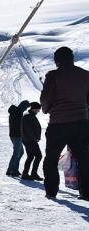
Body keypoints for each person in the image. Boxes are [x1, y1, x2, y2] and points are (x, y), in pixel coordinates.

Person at [40, 46, 89, 200]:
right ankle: (86, 192)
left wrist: (46, 109)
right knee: (84, 159)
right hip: (81, 123)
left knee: (51, 159)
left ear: (57, 60)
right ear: (72, 59)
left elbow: (46, 98)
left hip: (58, 124)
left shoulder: (53, 75)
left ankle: (51, 191)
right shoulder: (85, 75)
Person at [6, 100, 30, 177]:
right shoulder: (18, 113)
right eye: (26, 107)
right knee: (17, 153)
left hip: (14, 135)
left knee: (20, 152)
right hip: (17, 135)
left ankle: (14, 169)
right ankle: (10, 170)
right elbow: (19, 126)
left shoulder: (15, 112)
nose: (26, 109)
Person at [20, 102, 43, 181]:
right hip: (30, 141)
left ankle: (26, 173)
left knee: (30, 157)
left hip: (28, 140)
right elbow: (28, 129)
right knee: (38, 156)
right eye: (38, 109)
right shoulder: (29, 117)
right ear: (33, 108)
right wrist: (34, 138)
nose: (38, 111)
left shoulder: (30, 116)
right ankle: (33, 173)